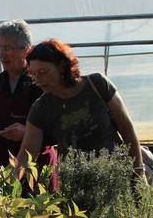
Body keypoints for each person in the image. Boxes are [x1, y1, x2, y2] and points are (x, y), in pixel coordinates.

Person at [17, 39, 144, 173]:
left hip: (115, 176)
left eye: (43, 72)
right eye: (34, 74)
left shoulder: (97, 85)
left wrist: (138, 172)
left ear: (61, 66)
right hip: (76, 183)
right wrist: (0, 186)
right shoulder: (41, 108)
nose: (38, 80)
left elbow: (127, 129)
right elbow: (26, 156)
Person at [0, 20, 44, 178]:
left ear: (26, 51)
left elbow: (54, 128)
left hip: (34, 164)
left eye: (8, 48)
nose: (2, 54)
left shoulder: (41, 82)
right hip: (2, 162)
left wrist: (26, 133)